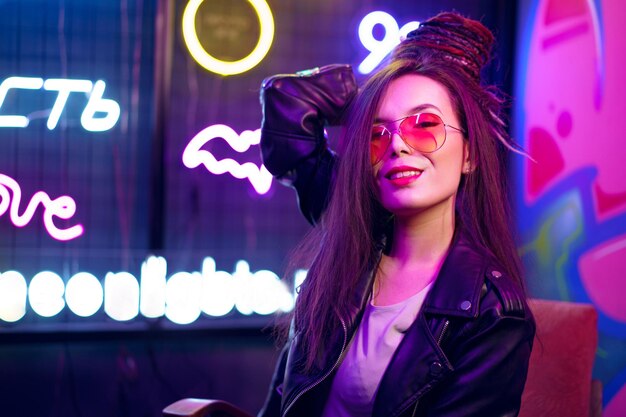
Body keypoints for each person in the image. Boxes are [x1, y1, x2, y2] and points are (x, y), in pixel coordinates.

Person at [258, 12, 535, 417]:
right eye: (378, 132)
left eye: (424, 124)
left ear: (470, 155)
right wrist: (382, 86)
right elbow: (286, 98)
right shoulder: (353, 235)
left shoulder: (494, 314)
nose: (398, 146)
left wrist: (399, 82)